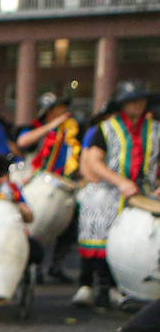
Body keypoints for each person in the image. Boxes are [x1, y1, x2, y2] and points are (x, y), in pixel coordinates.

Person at [73, 82, 159, 309]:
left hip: (145, 191)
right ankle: (88, 283)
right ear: (122, 104)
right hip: (109, 187)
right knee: (97, 206)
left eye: (141, 100)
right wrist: (120, 182)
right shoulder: (106, 128)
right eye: (132, 100)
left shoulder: (156, 129)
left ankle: (132, 283)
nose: (138, 105)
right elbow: (93, 161)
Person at [16, 93, 81, 283]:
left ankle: (56, 265)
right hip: (37, 185)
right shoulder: (35, 129)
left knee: (70, 227)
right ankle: (32, 265)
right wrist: (51, 127)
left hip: (64, 184)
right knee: (35, 226)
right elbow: (23, 142)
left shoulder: (72, 131)